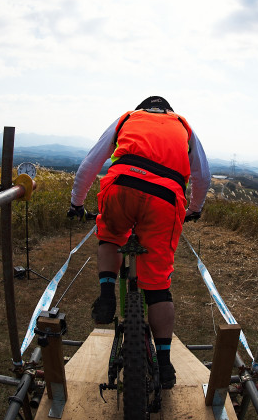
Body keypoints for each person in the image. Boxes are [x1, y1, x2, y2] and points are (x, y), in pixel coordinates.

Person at [67, 96, 211, 389]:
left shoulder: (128, 118)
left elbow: (90, 164)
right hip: (166, 199)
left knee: (109, 234)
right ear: (168, 111)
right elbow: (202, 176)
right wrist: (194, 208)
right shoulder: (184, 126)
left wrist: (76, 203)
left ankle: (107, 292)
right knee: (158, 286)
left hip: (122, 184)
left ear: (142, 108)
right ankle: (165, 362)